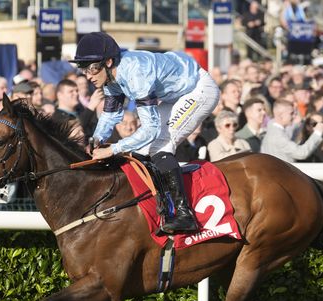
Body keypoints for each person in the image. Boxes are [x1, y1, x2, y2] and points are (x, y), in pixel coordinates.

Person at [71, 31, 220, 233]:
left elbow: (150, 130)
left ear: (108, 62)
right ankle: (161, 206)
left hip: (199, 89)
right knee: (142, 150)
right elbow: (111, 114)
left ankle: (184, 214)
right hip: (177, 94)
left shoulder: (135, 73)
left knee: (159, 145)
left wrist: (112, 149)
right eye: (84, 69)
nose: (88, 76)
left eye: (91, 68)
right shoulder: (111, 77)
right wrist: (97, 139)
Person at [260, 99, 323, 163]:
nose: (294, 116)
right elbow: (301, 153)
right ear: (280, 115)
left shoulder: (272, 127)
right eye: (291, 113)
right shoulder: (278, 136)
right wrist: (317, 133)